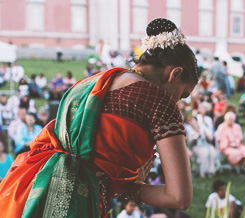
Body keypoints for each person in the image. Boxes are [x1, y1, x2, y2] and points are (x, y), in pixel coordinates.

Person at [0, 18, 198, 217]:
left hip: (28, 186)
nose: (177, 103)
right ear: (175, 74)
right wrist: (128, 187)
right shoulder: (158, 100)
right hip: (76, 203)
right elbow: (178, 196)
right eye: (181, 95)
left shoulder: (93, 83)